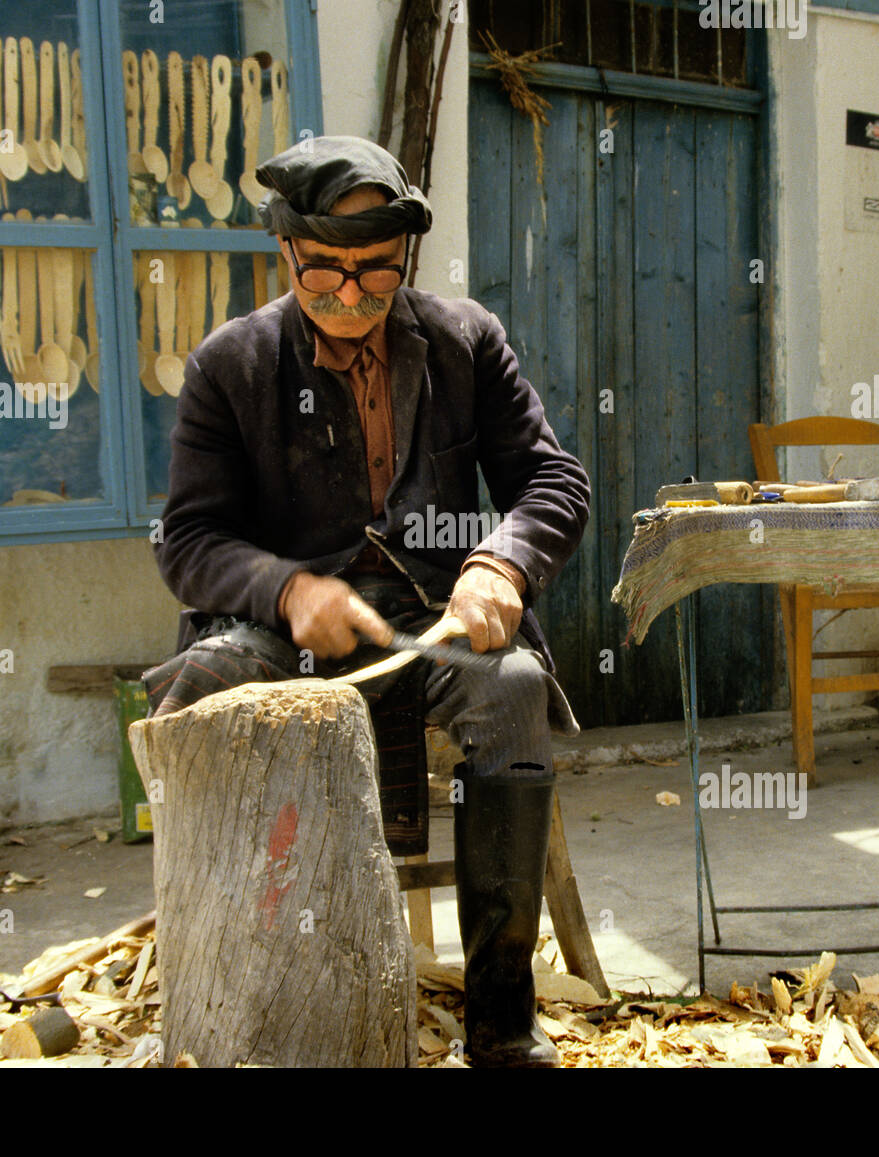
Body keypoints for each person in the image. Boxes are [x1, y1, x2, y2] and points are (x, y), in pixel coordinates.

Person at [142, 135, 590, 1067]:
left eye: (375, 273)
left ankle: (503, 1023)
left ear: (406, 260)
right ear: (286, 254)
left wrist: (501, 566)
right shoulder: (230, 366)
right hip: (280, 627)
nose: (351, 294)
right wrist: (285, 585)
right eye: (327, 272)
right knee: (204, 691)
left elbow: (553, 481)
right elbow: (187, 540)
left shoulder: (466, 341)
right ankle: (239, 995)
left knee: (508, 690)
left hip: (431, 619)